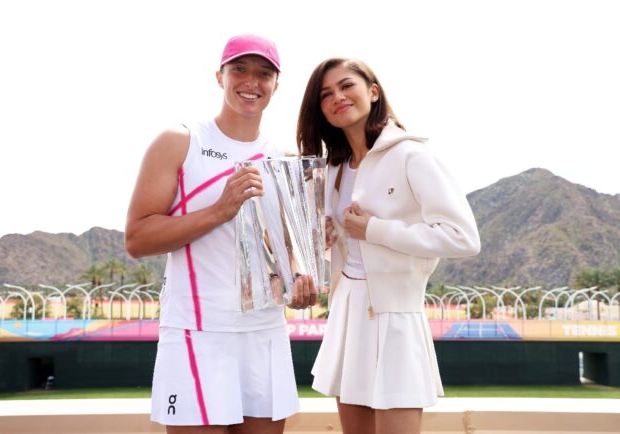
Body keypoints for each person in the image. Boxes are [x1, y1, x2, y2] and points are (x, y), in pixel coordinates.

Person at [125, 34, 316, 434]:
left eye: (264, 74)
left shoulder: (280, 157)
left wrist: (299, 276)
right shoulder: (181, 141)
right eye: (240, 70)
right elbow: (138, 239)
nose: (252, 82)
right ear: (220, 76)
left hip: (264, 332)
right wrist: (219, 211)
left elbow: (279, 246)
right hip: (198, 332)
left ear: (276, 85)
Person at [296, 58, 481, 434]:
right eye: (326, 94)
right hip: (347, 314)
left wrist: (376, 229)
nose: (337, 97)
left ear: (373, 91)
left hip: (396, 319)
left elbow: (463, 237)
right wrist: (332, 237)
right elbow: (348, 246)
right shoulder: (333, 169)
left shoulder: (412, 155)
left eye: (347, 86)